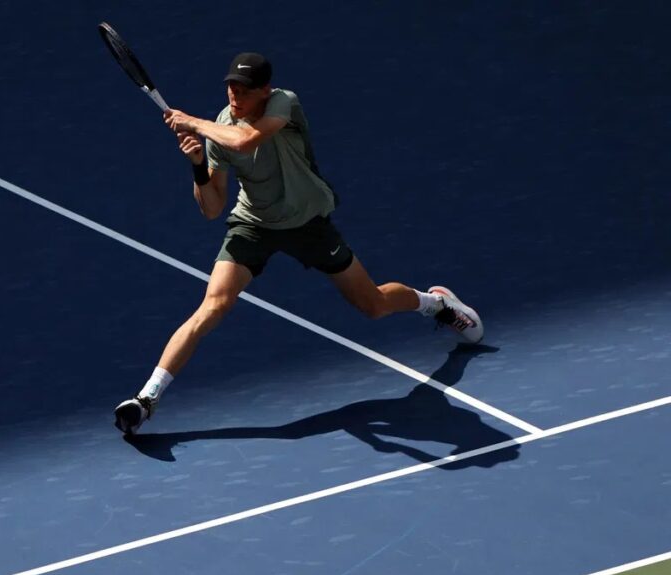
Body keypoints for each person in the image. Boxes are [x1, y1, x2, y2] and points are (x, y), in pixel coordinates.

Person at [114, 52, 483, 435]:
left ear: (264, 91)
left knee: (372, 305)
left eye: (243, 89)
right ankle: (145, 400)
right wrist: (196, 167)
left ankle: (436, 304)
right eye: (230, 87)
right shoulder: (219, 129)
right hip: (253, 224)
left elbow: (247, 141)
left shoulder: (282, 103)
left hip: (308, 223)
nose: (234, 95)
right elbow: (211, 208)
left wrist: (192, 122)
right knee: (213, 305)